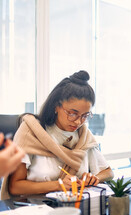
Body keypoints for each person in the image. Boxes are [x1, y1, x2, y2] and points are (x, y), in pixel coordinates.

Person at [1, 70, 114, 200]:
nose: (78, 122)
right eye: (72, 113)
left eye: (85, 116)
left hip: (75, 206)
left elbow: (108, 172)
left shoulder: (83, 135)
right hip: (36, 207)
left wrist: (94, 178)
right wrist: (58, 185)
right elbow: (15, 187)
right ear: (56, 106)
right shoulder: (31, 131)